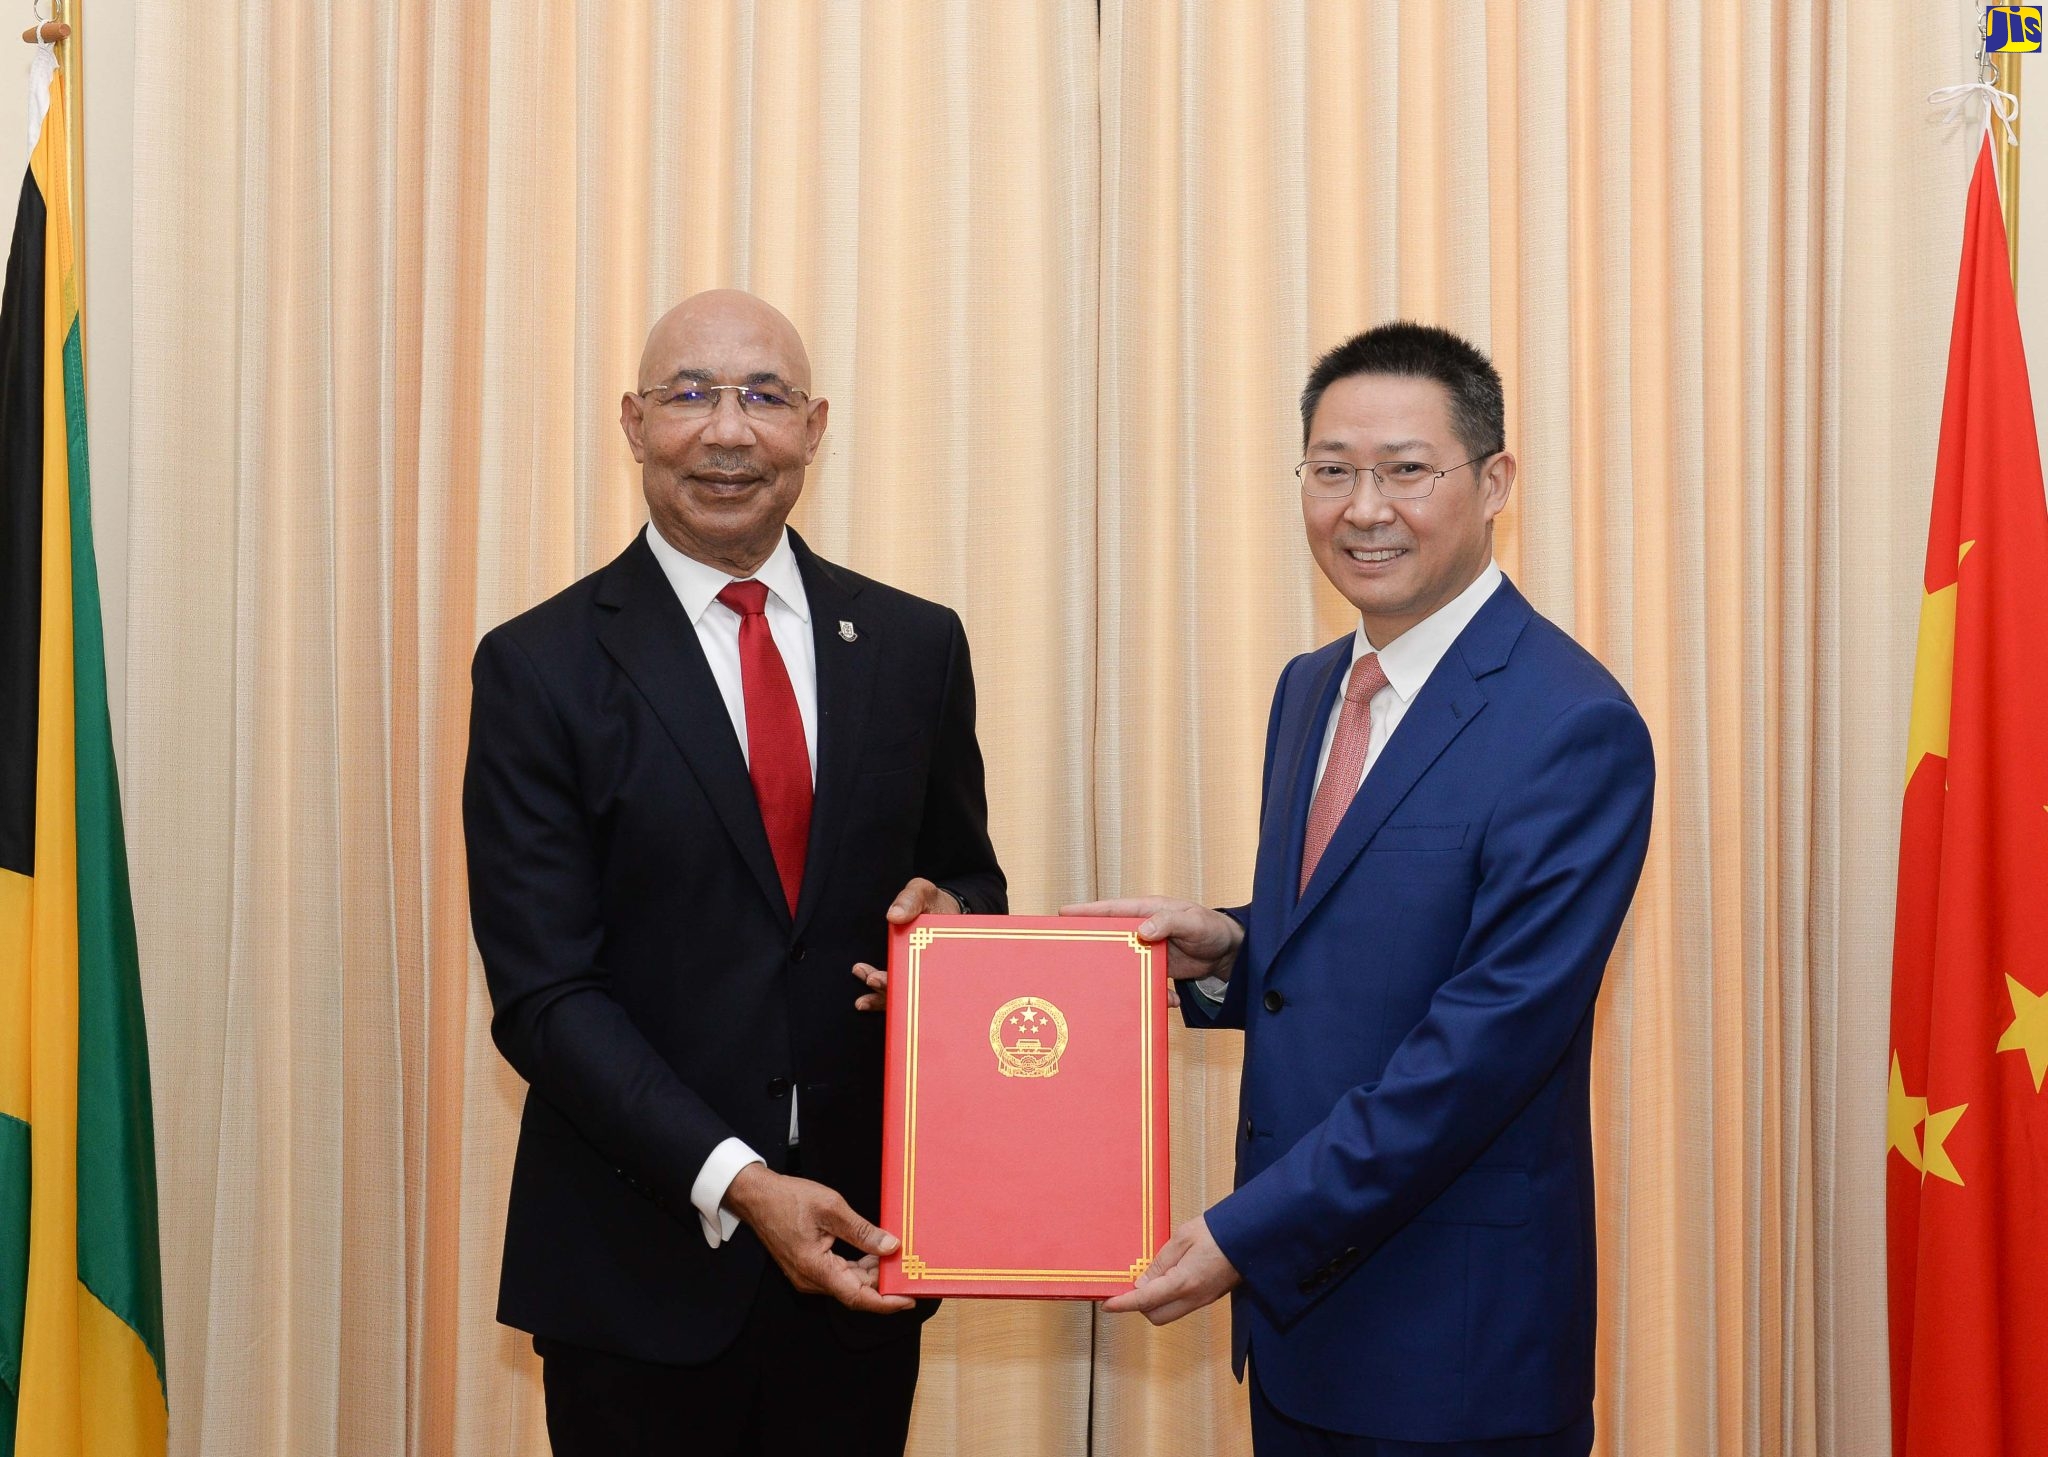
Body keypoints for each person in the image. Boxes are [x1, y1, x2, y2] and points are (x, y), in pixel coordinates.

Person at [1071, 323, 1655, 1456]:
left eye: (1403, 468)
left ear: (1491, 482)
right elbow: (1362, 938)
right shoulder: (1311, 689)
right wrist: (1230, 946)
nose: (1363, 506)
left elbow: (1478, 1046)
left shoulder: (1569, 724)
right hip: (1301, 1333)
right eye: (1331, 469)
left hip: (1454, 1349)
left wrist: (1246, 1230)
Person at [463, 289, 1006, 1457]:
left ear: (813, 427)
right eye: (689, 395)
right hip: (637, 1269)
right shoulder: (538, 667)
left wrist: (952, 916)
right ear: (631, 421)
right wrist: (742, 1179)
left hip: (864, 1254)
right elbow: (543, 994)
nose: (726, 431)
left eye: (762, 397)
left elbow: (966, 878)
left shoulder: (915, 645)